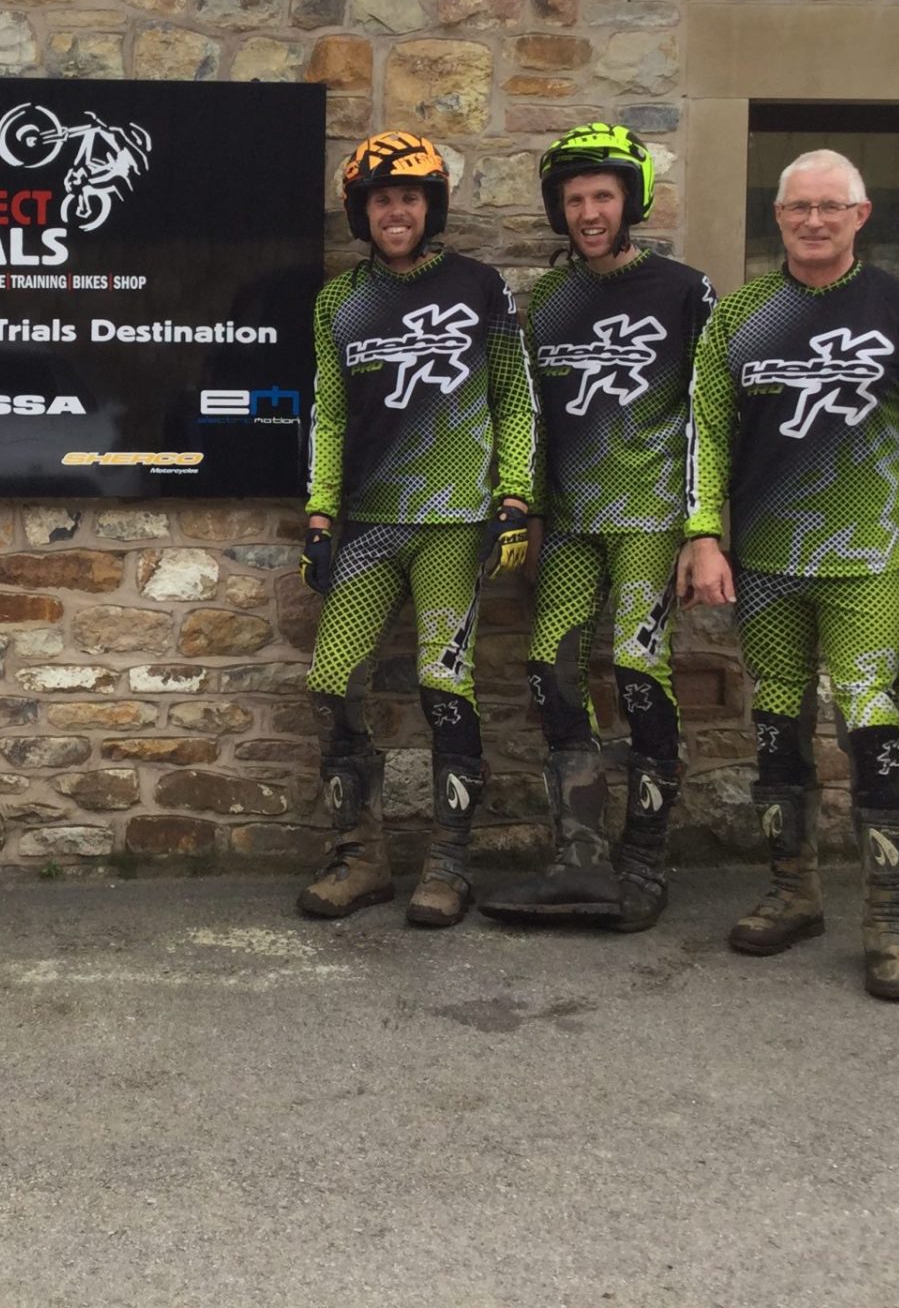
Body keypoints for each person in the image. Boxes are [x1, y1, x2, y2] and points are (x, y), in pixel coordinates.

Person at [679, 148, 899, 1001]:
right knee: (777, 737)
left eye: (829, 206)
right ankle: (793, 892)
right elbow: (704, 437)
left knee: (872, 735)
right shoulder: (740, 317)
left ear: (861, 214)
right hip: (766, 569)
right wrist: (704, 536)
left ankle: (890, 924)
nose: (813, 220)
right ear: (778, 219)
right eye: (797, 207)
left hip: (863, 566)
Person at [296, 132, 539, 926]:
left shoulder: (480, 287)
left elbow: (515, 400)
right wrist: (321, 513)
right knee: (332, 682)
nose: (396, 210)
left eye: (409, 198)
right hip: (368, 522)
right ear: (361, 213)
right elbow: (329, 415)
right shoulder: (341, 300)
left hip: (453, 521)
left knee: (445, 683)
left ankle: (449, 863)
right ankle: (359, 858)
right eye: (381, 200)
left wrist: (515, 501)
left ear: (430, 208)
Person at [480, 126, 714, 932]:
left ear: (632, 200)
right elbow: (529, 417)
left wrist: (702, 526)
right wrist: (534, 509)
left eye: (603, 196)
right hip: (574, 520)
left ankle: (645, 862)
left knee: (640, 668)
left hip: (652, 516)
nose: (589, 212)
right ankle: (578, 859)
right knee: (549, 666)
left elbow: (711, 417)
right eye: (575, 199)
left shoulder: (687, 290)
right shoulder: (547, 301)